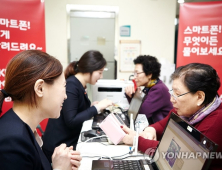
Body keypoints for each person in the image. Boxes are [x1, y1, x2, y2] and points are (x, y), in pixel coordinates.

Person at [121, 63, 222, 170]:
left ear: (200, 97)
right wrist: (150, 130)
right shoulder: (187, 110)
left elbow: (179, 158)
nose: (172, 99)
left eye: (178, 94)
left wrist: (137, 141)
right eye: (172, 93)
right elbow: (162, 124)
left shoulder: (215, 122)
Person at [0, 50, 81, 170]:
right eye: (64, 87)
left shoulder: (20, 128)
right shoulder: (12, 142)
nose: (65, 96)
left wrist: (57, 164)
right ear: (40, 88)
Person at [42, 50, 113, 162]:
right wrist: (96, 108)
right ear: (90, 69)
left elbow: (75, 108)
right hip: (58, 147)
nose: (101, 76)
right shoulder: (71, 85)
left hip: (66, 143)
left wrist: (92, 107)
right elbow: (71, 120)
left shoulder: (79, 85)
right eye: (99, 72)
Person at [125, 55, 173, 124]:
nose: (134, 77)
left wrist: (134, 95)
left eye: (137, 73)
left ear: (149, 74)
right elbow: (134, 111)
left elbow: (141, 115)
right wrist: (131, 94)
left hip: (162, 131)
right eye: (134, 73)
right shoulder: (149, 87)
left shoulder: (158, 89)